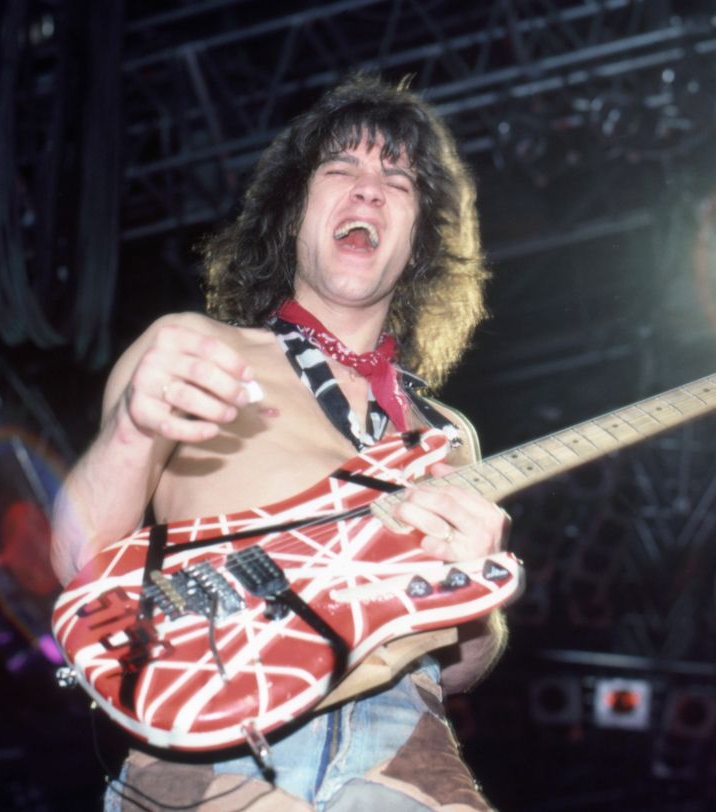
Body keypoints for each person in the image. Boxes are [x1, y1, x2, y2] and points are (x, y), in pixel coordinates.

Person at [51, 74, 511, 811]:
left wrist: (475, 595)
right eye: (341, 169)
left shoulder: (447, 437)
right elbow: (77, 561)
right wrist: (133, 430)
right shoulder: (195, 353)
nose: (368, 191)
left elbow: (457, 668)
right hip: (210, 724)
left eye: (397, 179)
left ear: (420, 237)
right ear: (293, 212)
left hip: (406, 749)